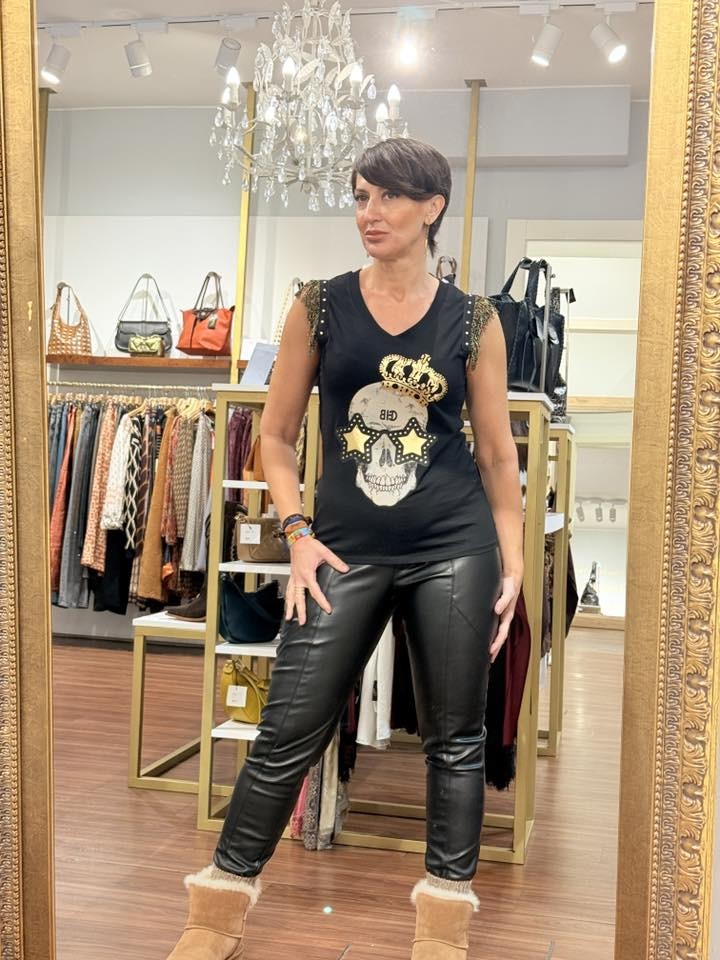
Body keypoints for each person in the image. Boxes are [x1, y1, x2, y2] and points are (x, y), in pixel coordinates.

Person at [167, 137, 524, 960]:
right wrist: (296, 533)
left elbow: (497, 454)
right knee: (288, 727)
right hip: (340, 550)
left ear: (432, 207)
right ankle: (214, 915)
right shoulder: (320, 305)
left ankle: (443, 931)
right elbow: (277, 436)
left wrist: (511, 562)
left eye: (389, 197)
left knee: (456, 739)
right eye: (361, 196)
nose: (370, 213)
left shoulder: (474, 320)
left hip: (454, 543)